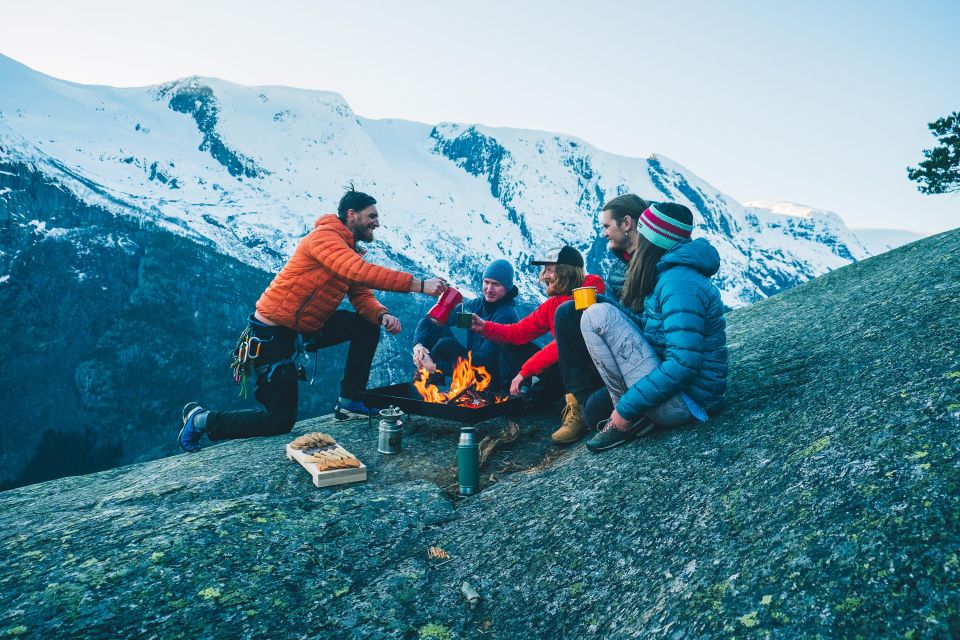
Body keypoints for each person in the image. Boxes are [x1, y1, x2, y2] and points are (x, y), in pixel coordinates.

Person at [177, 187, 448, 452]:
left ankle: (351, 401)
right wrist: (419, 285)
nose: (377, 223)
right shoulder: (325, 238)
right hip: (273, 336)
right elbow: (359, 272)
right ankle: (202, 420)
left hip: (305, 329)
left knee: (367, 325)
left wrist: (381, 314)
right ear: (351, 215)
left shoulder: (347, 248)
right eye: (372, 216)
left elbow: (359, 292)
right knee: (279, 421)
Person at [579, 202, 728, 452]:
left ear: (654, 240)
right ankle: (630, 414)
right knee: (598, 313)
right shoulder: (670, 274)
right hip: (682, 394)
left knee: (596, 316)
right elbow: (654, 332)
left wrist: (625, 409)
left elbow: (683, 363)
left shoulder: (678, 282)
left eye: (643, 234)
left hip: (686, 402)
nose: (638, 239)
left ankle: (625, 419)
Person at [551, 193, 650, 444]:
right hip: (622, 347)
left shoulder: (653, 263)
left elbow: (649, 324)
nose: (604, 233)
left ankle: (589, 409)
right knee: (567, 313)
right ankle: (577, 403)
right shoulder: (618, 266)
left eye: (607, 226)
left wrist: (604, 303)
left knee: (595, 412)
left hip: (646, 354)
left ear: (626, 223)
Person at [468, 245, 605, 413]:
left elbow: (564, 345)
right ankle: (513, 395)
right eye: (545, 270)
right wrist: (484, 327)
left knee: (537, 398)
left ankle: (579, 407)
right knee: (510, 344)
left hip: (591, 370)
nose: (545, 276)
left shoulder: (589, 294)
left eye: (550, 270)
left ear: (566, 272)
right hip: (563, 368)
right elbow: (517, 333)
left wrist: (525, 372)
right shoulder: (552, 304)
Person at [412, 259, 521, 391]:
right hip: (471, 363)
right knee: (439, 332)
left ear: (507, 288)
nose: (489, 289)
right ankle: (426, 384)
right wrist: (418, 345)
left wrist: (436, 367)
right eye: (486, 282)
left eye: (496, 284)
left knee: (446, 344)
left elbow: (486, 362)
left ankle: (430, 376)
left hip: (489, 378)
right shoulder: (476, 306)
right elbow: (430, 320)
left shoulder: (505, 315)